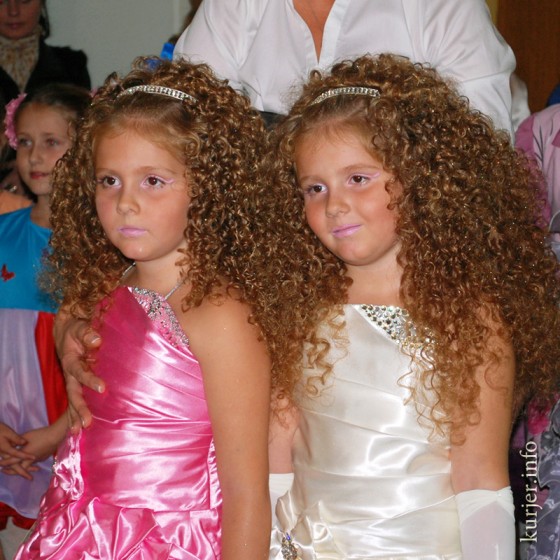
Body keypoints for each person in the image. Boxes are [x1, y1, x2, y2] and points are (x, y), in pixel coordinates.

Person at [265, 53, 560, 559]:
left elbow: (480, 480)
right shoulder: (297, 306)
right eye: (315, 188)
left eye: (358, 178)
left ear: (418, 176)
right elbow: (276, 457)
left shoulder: (468, 316)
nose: (334, 204)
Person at [14, 56, 310, 559]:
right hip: (79, 528)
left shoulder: (219, 316)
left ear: (207, 187)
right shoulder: (108, 284)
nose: (125, 202)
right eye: (109, 180)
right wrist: (70, 333)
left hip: (169, 541)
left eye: (153, 180)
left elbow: (246, 493)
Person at [173, 0, 521, 136]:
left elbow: (479, 155)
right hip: (263, 245)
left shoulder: (442, 7)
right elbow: (181, 134)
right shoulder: (231, 6)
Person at [0, 83, 90, 560]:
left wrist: (55, 437)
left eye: (52, 142)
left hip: (68, 437)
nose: (35, 156)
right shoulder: (1, 232)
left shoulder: (103, 249)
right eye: (26, 142)